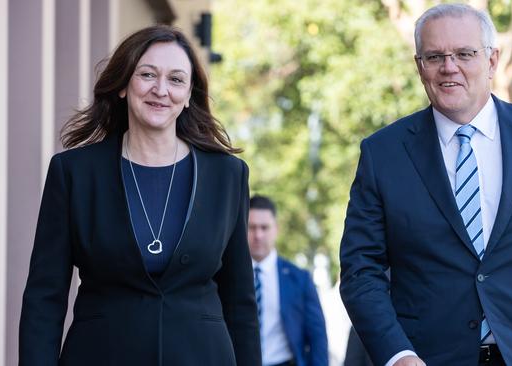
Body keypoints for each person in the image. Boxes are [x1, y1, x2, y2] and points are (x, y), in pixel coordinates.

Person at [339, 3, 512, 366]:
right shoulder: (383, 154)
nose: (449, 67)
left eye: (464, 54)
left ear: (492, 60)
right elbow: (361, 270)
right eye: (434, 56)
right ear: (419, 66)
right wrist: (398, 355)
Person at [19, 25, 260, 365]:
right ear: (122, 85)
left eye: (176, 79)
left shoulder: (228, 175)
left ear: (190, 94)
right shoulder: (74, 172)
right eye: (147, 74)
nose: (161, 90)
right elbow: (45, 296)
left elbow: (240, 301)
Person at [248, 195, 328, 366]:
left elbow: (317, 336)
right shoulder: (225, 276)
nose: (258, 235)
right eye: (251, 227)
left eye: (264, 227)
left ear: (275, 229)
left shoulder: (300, 279)